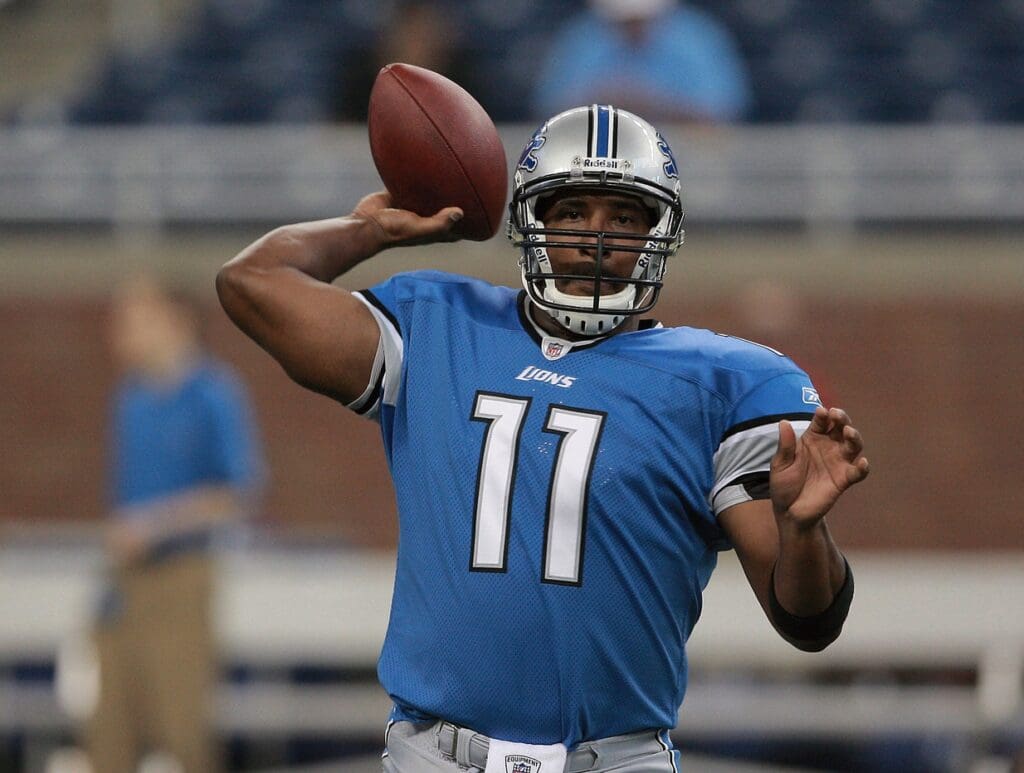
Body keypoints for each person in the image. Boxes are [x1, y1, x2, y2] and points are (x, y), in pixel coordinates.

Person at [217, 104, 868, 772]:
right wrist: (365, 231)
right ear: (533, 220)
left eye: (624, 216)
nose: (596, 236)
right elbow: (250, 283)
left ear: (658, 233)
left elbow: (807, 620)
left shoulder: (724, 383)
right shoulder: (438, 324)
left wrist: (803, 529)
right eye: (573, 211)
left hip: (613, 757)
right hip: (437, 753)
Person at [89, 276, 264, 773]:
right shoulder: (130, 398)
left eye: (136, 319)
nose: (121, 332)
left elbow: (239, 492)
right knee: (109, 725)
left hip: (182, 577)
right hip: (125, 582)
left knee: (182, 727)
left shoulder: (214, 393)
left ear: (176, 323)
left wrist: (156, 524)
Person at [531, 0, 752, 123]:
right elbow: (549, 110)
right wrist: (604, 99)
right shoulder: (582, 38)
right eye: (624, 22)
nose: (634, 28)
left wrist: (655, 103)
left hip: (688, 163)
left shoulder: (698, 38)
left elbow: (725, 111)